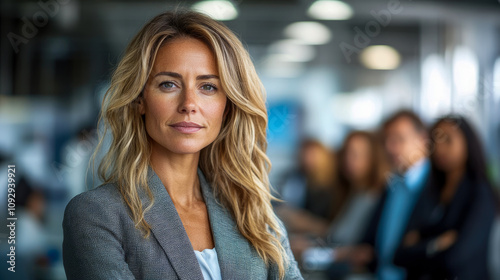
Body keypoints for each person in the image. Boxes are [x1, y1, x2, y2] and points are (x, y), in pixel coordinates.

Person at [62, 10, 303, 280]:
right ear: (139, 99)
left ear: (228, 106)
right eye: (168, 84)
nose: (189, 104)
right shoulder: (97, 215)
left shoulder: (253, 215)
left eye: (208, 87)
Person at [393, 115, 498, 279]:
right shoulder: (429, 191)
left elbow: (456, 258)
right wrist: (436, 244)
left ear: (468, 143)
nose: (440, 149)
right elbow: (399, 255)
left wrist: (420, 244)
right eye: (435, 142)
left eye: (448, 140)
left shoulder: (480, 193)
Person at [332, 110, 432, 280]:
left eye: (399, 139)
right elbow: (373, 244)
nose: (390, 147)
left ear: (422, 140)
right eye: (387, 140)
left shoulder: (435, 185)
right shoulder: (392, 184)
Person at [297, 131, 388, 272]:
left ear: (373, 158)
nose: (348, 160)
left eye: (355, 154)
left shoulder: (376, 197)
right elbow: (334, 239)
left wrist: (309, 252)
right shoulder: (352, 193)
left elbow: (360, 252)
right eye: (346, 154)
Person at [276, 139, 338, 236]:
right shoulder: (293, 177)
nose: (307, 159)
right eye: (305, 155)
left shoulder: (331, 187)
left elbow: (327, 226)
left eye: (312, 155)